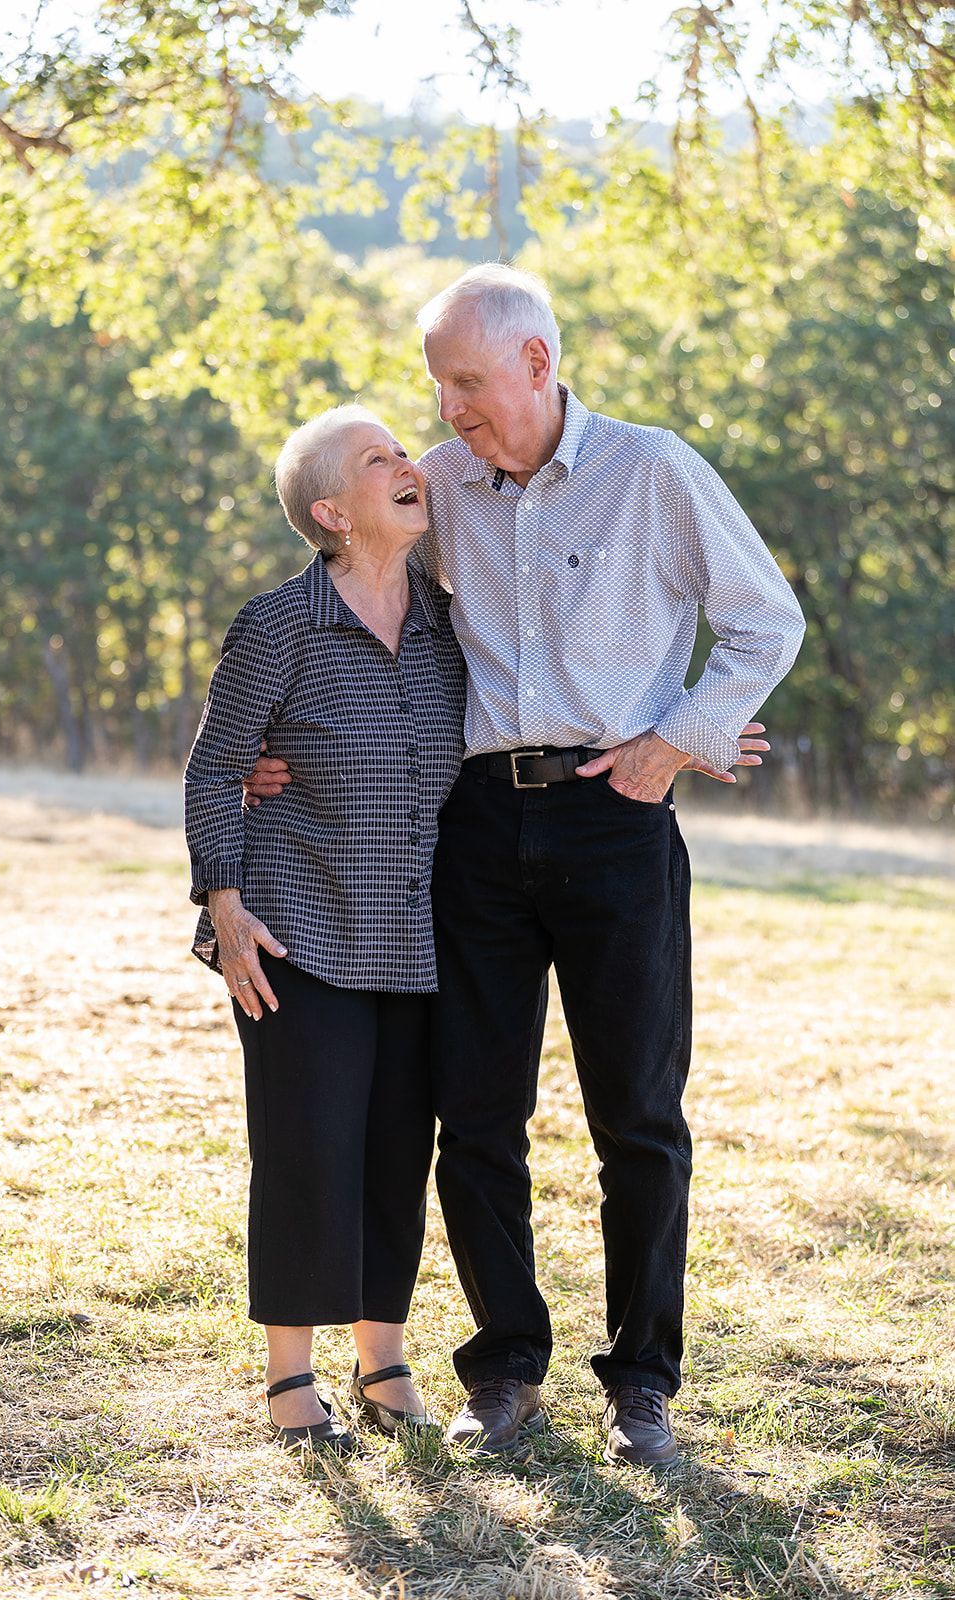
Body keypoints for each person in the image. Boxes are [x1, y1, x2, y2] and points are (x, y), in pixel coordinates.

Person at [248, 264, 805, 1467]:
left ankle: (639, 1381)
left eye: (465, 381)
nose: (448, 409)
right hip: (477, 835)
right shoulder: (437, 487)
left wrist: (679, 737)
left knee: (638, 1117)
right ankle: (502, 1365)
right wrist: (273, 749)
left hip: (615, 821)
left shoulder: (650, 471)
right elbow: (359, 598)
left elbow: (765, 619)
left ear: (537, 365)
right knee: (477, 1116)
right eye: (437, 384)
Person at [184, 404, 465, 1452]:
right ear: (331, 512)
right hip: (296, 928)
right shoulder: (277, 625)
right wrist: (223, 903)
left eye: (401, 448)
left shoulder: (450, 623)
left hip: (417, 936)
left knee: (399, 1150)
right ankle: (288, 1380)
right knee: (307, 1149)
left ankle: (382, 1358)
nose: (406, 462)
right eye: (376, 457)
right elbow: (217, 765)